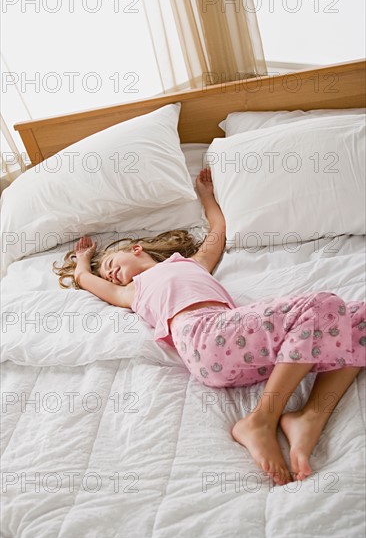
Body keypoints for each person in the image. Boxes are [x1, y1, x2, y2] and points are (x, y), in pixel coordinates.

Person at [53, 168, 366, 486]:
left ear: (136, 250)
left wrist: (206, 194)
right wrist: (84, 260)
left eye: (110, 264)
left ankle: (310, 416)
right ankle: (260, 420)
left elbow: (218, 229)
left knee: (358, 318)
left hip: (245, 354)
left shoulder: (192, 264)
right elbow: (84, 279)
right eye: (106, 274)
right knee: (321, 305)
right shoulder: (133, 291)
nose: (109, 274)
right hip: (205, 337)